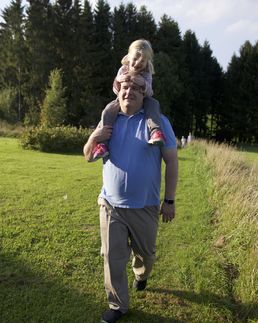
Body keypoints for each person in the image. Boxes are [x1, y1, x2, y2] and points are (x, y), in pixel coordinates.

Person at [83, 73, 179, 323]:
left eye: (137, 88)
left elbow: (171, 161)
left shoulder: (157, 122)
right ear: (118, 90)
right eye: (125, 87)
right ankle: (117, 305)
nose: (130, 92)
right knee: (112, 257)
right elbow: (87, 155)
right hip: (110, 205)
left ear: (144, 93)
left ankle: (141, 274)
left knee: (146, 254)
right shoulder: (109, 121)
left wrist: (168, 200)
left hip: (145, 207)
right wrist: (95, 137)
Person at [90, 39, 166, 161]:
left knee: (154, 104)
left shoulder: (146, 74)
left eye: (142, 61)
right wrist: (118, 80)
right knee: (108, 110)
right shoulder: (122, 70)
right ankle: (103, 145)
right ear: (129, 57)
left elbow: (150, 93)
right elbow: (116, 90)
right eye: (135, 59)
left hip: (143, 101)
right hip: (121, 101)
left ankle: (156, 132)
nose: (137, 63)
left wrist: (143, 84)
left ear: (147, 63)